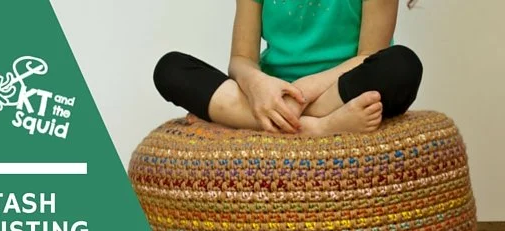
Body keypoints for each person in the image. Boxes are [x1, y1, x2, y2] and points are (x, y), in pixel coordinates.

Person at [153, 0, 423, 136]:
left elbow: (369, 55)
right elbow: (241, 60)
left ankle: (260, 120)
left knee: (402, 66)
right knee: (170, 69)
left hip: (342, 89)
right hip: (272, 93)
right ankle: (316, 128)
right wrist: (257, 84)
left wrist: (301, 92)